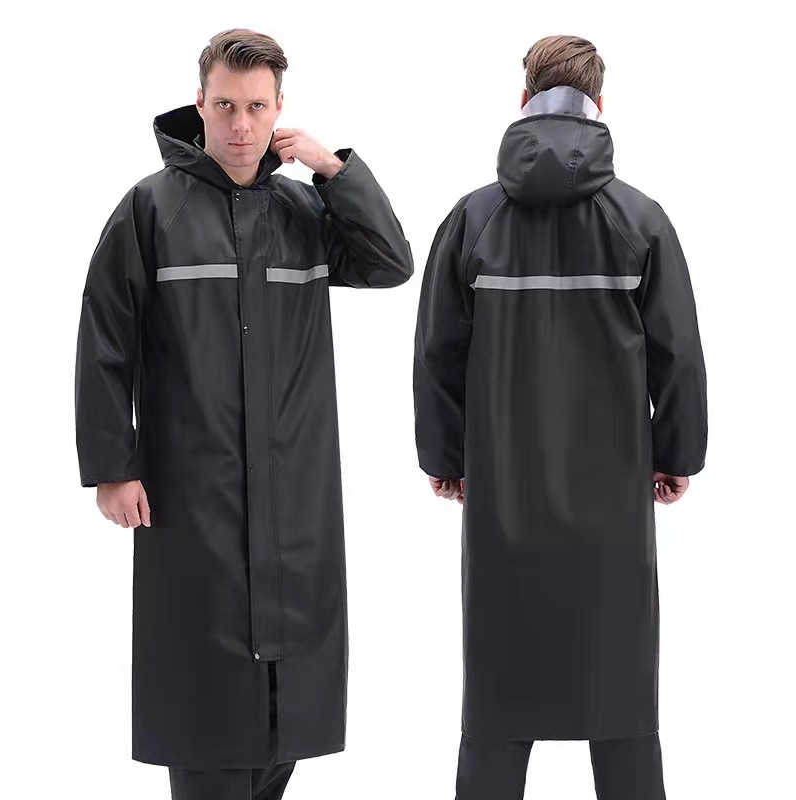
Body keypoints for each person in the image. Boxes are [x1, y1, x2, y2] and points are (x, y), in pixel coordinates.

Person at [74, 27, 413, 800]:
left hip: (294, 492)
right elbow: (104, 341)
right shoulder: (151, 209)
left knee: (284, 716)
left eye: (257, 107)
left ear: (279, 109)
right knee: (204, 706)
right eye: (225, 105)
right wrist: (111, 468)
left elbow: (390, 262)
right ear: (200, 103)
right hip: (194, 488)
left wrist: (334, 170)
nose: (240, 124)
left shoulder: (303, 209)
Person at [413, 34, 707, 800]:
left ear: (524, 101)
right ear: (599, 105)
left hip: (503, 504)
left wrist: (445, 457)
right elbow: (677, 353)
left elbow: (437, 352)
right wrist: (677, 453)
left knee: (498, 703)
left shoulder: (472, 220)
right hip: (612, 509)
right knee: (621, 706)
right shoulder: (641, 220)